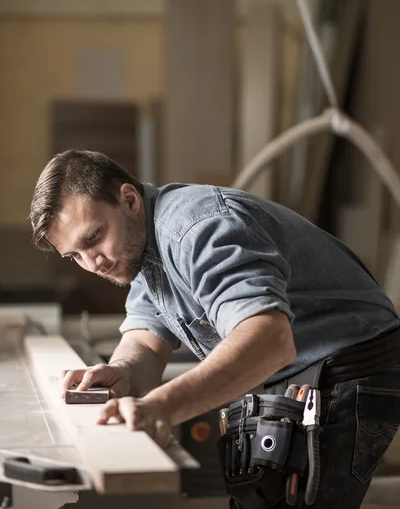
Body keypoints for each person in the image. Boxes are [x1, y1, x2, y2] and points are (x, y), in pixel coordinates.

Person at [30, 149, 400, 509]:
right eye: (75, 255)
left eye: (93, 238)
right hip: (305, 369)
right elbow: (145, 336)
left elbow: (269, 339)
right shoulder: (142, 249)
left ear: (128, 199)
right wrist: (122, 371)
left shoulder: (197, 229)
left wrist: (163, 406)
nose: (93, 264)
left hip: (353, 361)